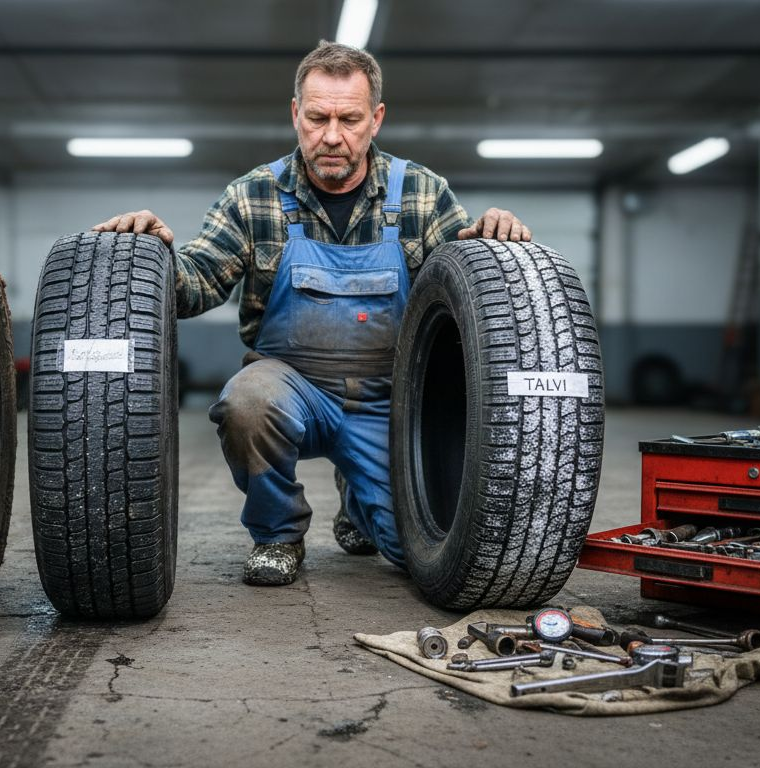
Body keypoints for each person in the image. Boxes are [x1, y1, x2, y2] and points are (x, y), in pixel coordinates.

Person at [93, 41, 532, 587]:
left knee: (409, 551)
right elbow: (197, 283)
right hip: (290, 385)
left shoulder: (422, 193)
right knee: (245, 404)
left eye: (349, 119)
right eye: (318, 116)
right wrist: (150, 255)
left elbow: (463, 298)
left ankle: (360, 503)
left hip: (389, 399)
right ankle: (278, 536)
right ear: (295, 113)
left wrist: (490, 245)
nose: (331, 135)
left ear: (376, 119)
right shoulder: (254, 196)